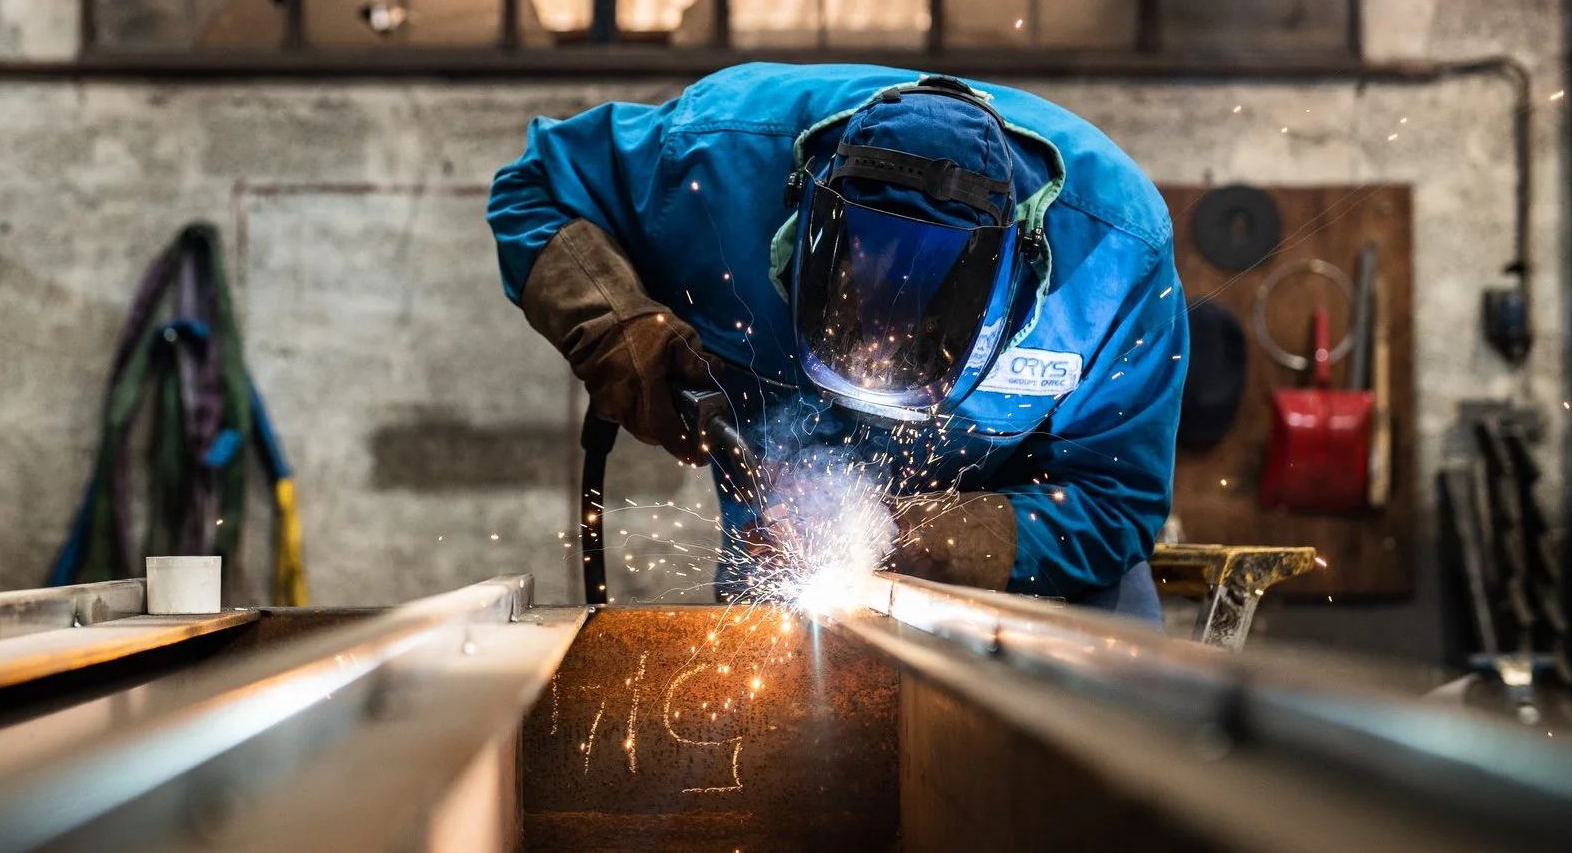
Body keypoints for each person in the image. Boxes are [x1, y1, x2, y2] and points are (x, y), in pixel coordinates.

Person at [487, 64, 1185, 620]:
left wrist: (903, 535)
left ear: (1018, 279)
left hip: (1037, 579)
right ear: (798, 228)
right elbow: (535, 187)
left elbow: (1115, 500)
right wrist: (616, 325)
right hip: (780, 552)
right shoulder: (715, 163)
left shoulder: (1114, 255)